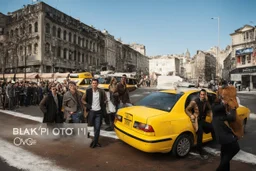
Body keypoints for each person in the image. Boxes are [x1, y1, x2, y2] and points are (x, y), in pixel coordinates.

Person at [185, 89, 214, 159]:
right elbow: (187, 109)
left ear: (205, 95)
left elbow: (210, 109)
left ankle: (215, 141)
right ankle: (199, 150)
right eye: (201, 94)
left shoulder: (206, 102)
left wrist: (212, 117)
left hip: (203, 120)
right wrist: (191, 115)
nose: (202, 96)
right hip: (196, 121)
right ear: (199, 95)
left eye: (204, 95)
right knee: (200, 134)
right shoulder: (194, 102)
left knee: (213, 127)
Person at [212, 99, 240, 171]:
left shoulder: (220, 115)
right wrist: (233, 107)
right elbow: (232, 118)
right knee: (236, 148)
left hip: (223, 134)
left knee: (224, 154)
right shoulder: (216, 108)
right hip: (223, 135)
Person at [84, 79, 107, 148]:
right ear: (91, 84)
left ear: (97, 84)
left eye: (95, 83)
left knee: (97, 128)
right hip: (91, 112)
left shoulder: (101, 91)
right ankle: (88, 140)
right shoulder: (88, 91)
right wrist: (88, 106)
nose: (94, 84)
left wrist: (104, 103)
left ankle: (95, 142)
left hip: (99, 112)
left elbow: (105, 99)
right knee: (90, 127)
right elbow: (82, 99)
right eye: (93, 83)